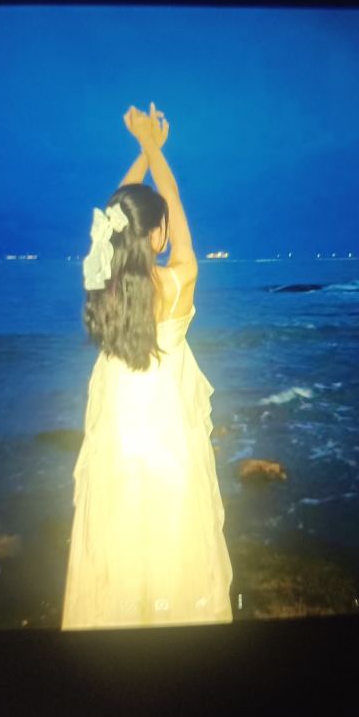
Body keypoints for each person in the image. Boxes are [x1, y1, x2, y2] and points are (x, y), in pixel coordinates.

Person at [62, 103, 233, 628]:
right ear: (158, 233)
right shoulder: (179, 280)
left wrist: (142, 149)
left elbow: (114, 211)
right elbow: (171, 199)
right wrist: (154, 148)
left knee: (118, 524)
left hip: (118, 420)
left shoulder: (101, 278)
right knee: (172, 525)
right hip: (166, 423)